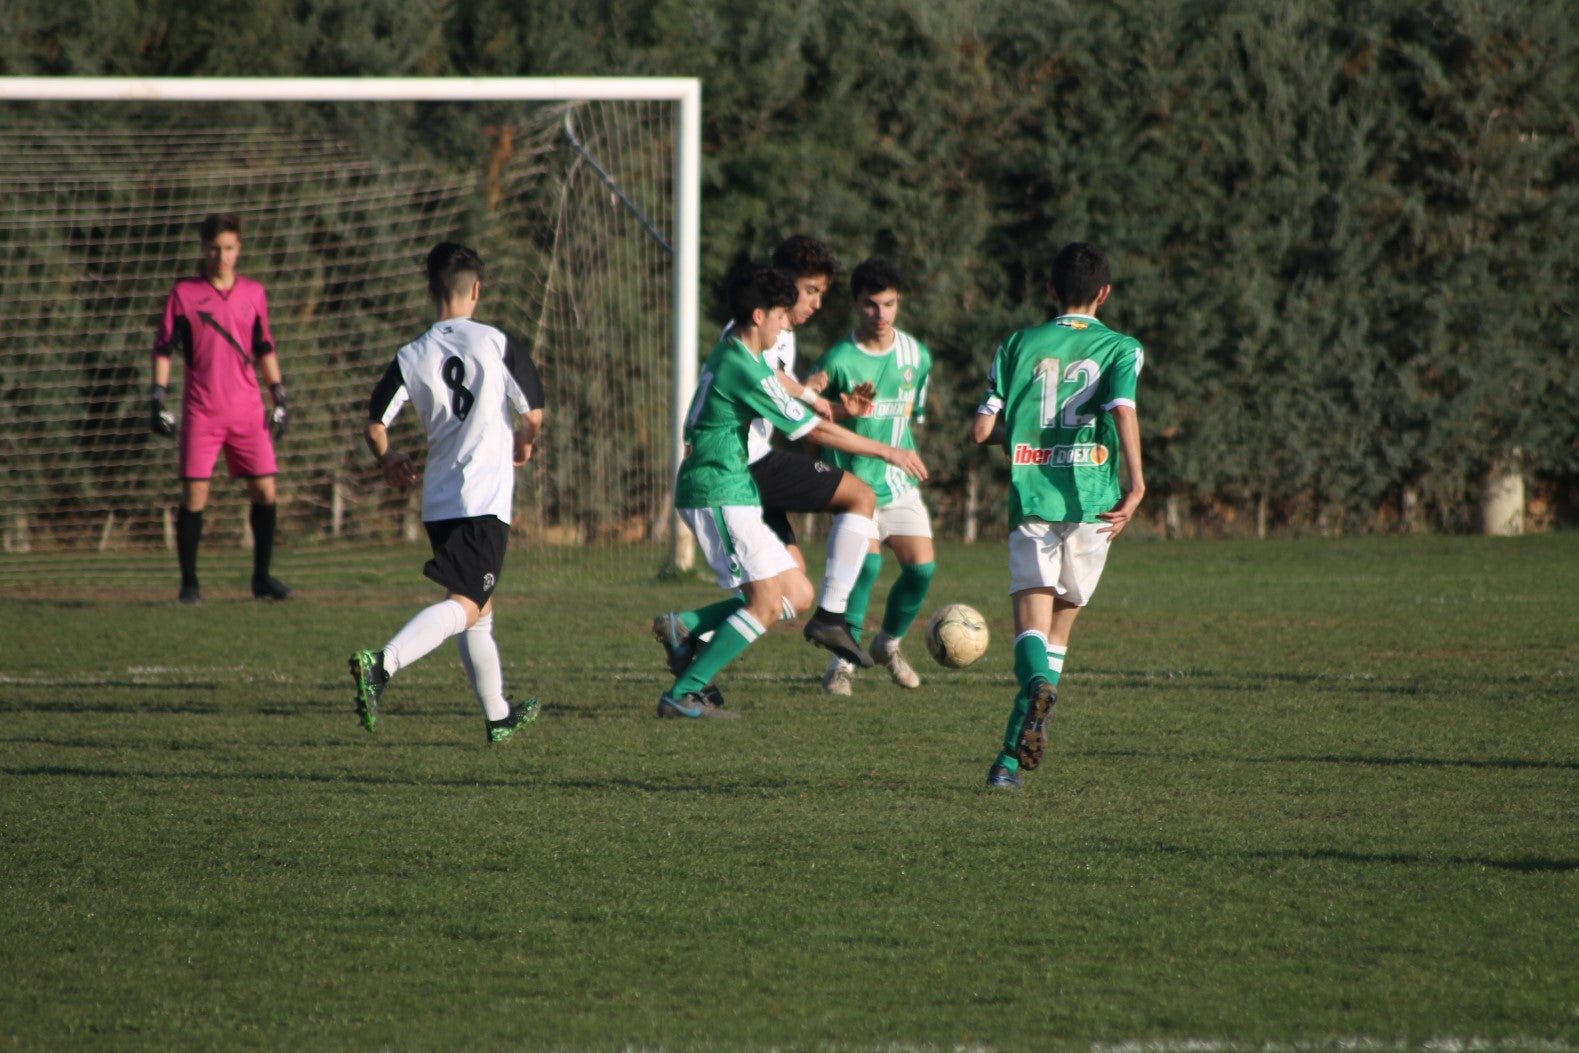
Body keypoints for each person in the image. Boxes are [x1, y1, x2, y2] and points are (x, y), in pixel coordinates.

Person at [655, 262, 927, 720]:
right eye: (781, 315)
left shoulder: (739, 354)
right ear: (760, 316)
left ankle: (686, 628)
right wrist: (887, 451)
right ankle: (686, 691)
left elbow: (795, 398)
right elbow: (814, 435)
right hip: (716, 490)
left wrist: (829, 403)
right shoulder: (745, 367)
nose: (786, 325)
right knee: (764, 603)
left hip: (733, 487)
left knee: (795, 592)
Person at [348, 243, 546, 744]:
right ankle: (382, 663)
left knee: (480, 608)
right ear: (476, 290)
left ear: (431, 290)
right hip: (483, 501)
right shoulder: (495, 342)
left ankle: (498, 714)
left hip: (439, 502)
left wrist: (389, 457)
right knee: (468, 601)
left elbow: (376, 425)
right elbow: (535, 413)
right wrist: (525, 440)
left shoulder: (412, 354)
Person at [970, 242, 1146, 789]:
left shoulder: (1016, 344)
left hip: (1034, 501)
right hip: (1096, 503)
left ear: (1050, 291)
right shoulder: (1122, 347)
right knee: (1058, 635)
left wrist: (1016, 439)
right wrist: (1137, 484)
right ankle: (1005, 764)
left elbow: (980, 432)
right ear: (1104, 293)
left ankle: (1032, 704)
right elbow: (1121, 410)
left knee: (1030, 632)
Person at [151, 212, 292, 604]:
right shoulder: (184, 294)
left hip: (248, 409)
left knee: (265, 490)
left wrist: (279, 394)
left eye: (229, 248)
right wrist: (157, 397)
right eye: (215, 248)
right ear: (204, 249)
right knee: (195, 496)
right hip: (202, 410)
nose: (222, 256)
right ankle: (190, 584)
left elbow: (265, 346)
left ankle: (262, 578)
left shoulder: (254, 293)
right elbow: (164, 348)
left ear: (239, 249)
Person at [814, 259, 936, 696]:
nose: (881, 315)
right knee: (867, 565)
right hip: (853, 487)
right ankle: (841, 662)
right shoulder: (838, 359)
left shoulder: (916, 357)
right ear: (855, 304)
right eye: (871, 305)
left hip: (898, 484)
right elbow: (809, 415)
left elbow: (911, 415)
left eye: (889, 304)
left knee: (923, 570)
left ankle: (888, 644)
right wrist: (836, 408)